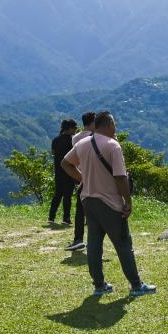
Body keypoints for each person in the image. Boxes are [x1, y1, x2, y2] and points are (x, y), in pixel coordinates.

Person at [61, 110, 156, 297]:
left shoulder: (82, 143)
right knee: (123, 243)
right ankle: (136, 285)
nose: (116, 128)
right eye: (114, 124)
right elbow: (120, 177)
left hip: (88, 200)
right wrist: (128, 201)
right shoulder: (113, 146)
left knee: (94, 243)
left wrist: (82, 179)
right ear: (108, 125)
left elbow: (65, 163)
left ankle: (99, 285)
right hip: (110, 202)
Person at [65, 111, 95, 252]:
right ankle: (94, 241)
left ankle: (78, 239)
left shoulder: (75, 138)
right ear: (93, 123)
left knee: (80, 210)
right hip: (96, 177)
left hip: (82, 177)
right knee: (96, 211)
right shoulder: (96, 137)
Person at [48, 118, 78, 225]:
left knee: (58, 194)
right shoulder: (72, 140)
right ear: (69, 128)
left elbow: (53, 153)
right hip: (69, 170)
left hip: (58, 170)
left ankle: (51, 217)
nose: (75, 130)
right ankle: (66, 218)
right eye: (74, 128)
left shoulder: (55, 140)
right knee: (67, 195)